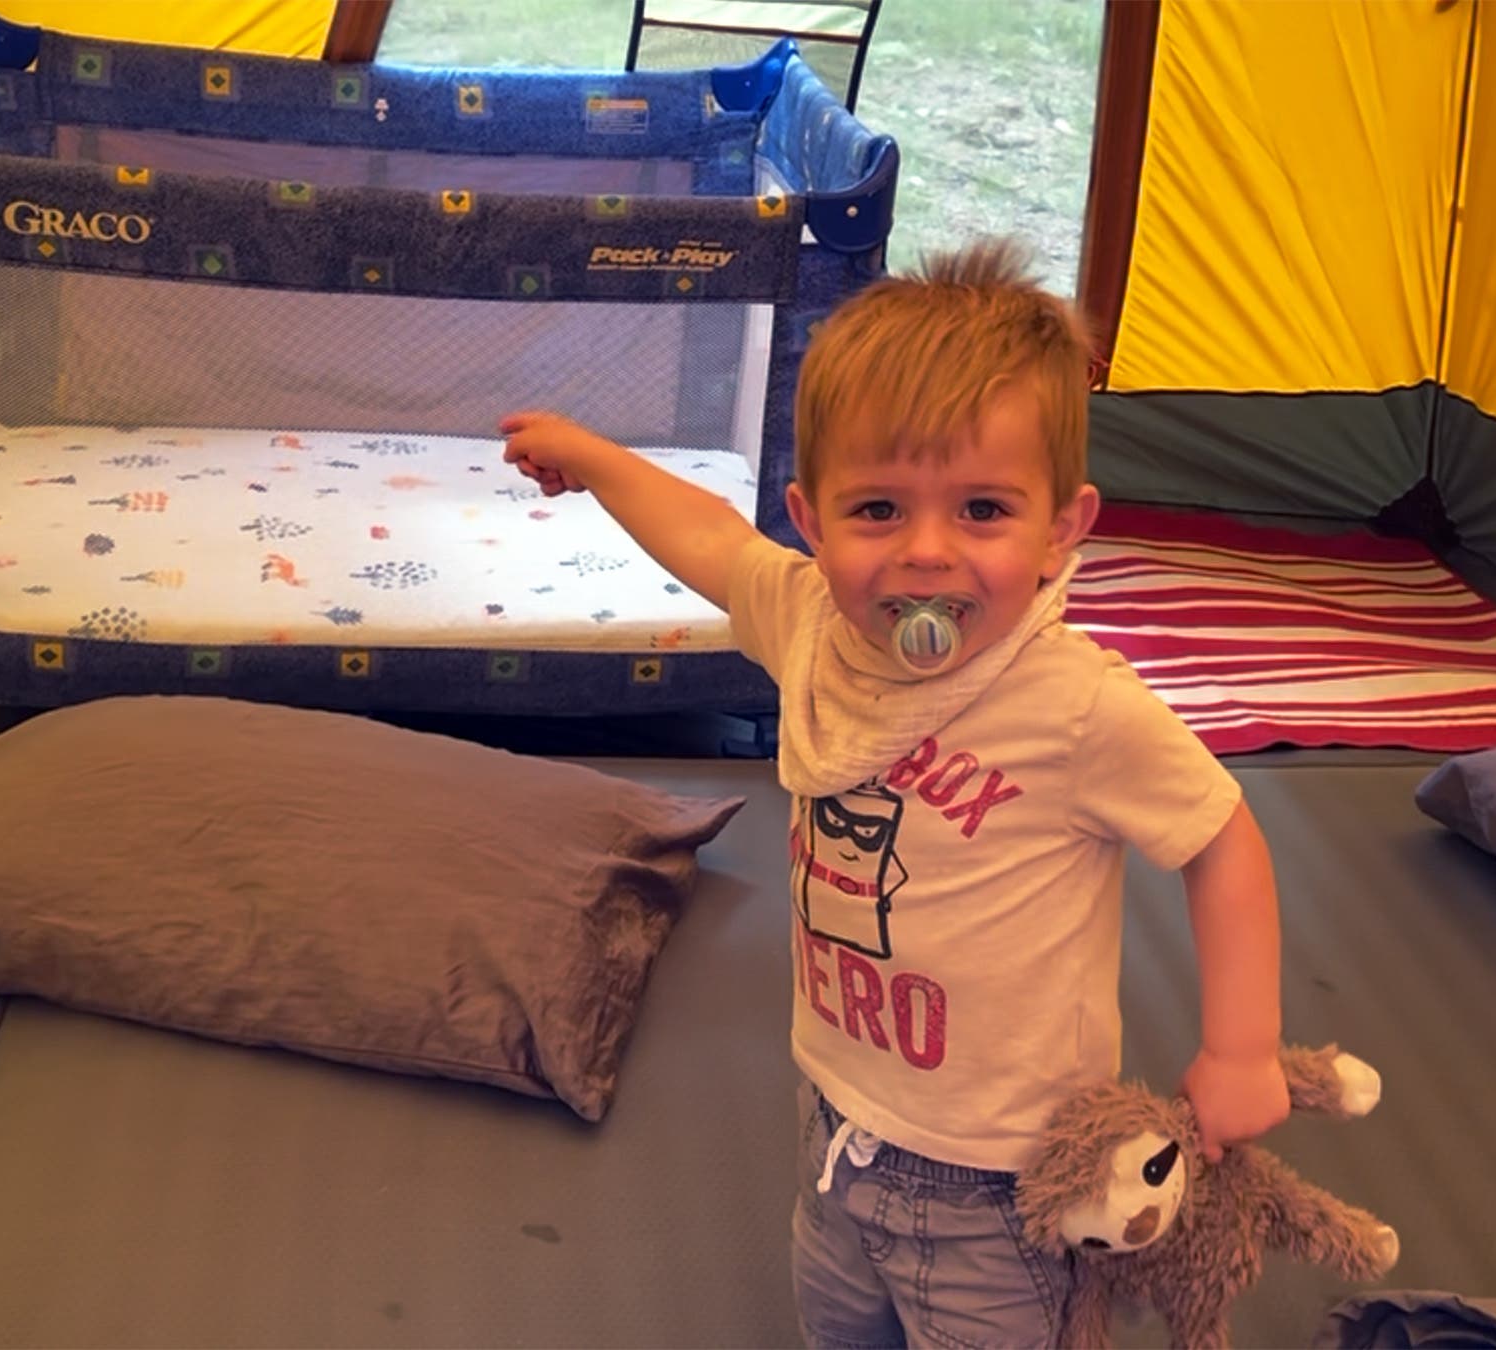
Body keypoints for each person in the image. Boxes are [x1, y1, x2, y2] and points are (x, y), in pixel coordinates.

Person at [501, 237, 1289, 1348]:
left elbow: (1221, 839)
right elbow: (712, 542)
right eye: (878, 511)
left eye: (982, 511)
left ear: (1063, 529)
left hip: (1005, 1188)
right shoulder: (813, 627)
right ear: (813, 520)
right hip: (838, 1127)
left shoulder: (1075, 705)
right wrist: (592, 456)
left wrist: (1244, 1046)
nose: (926, 554)